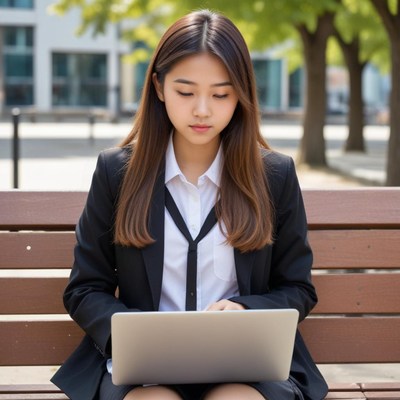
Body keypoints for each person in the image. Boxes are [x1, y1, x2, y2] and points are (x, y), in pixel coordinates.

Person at [51, 9, 328, 400]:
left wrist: (247, 310)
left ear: (241, 95)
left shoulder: (274, 176)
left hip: (243, 364)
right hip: (144, 369)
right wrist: (135, 336)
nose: (202, 109)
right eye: (185, 92)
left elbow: (297, 287)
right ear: (159, 87)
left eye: (221, 94)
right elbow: (85, 289)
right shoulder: (117, 172)